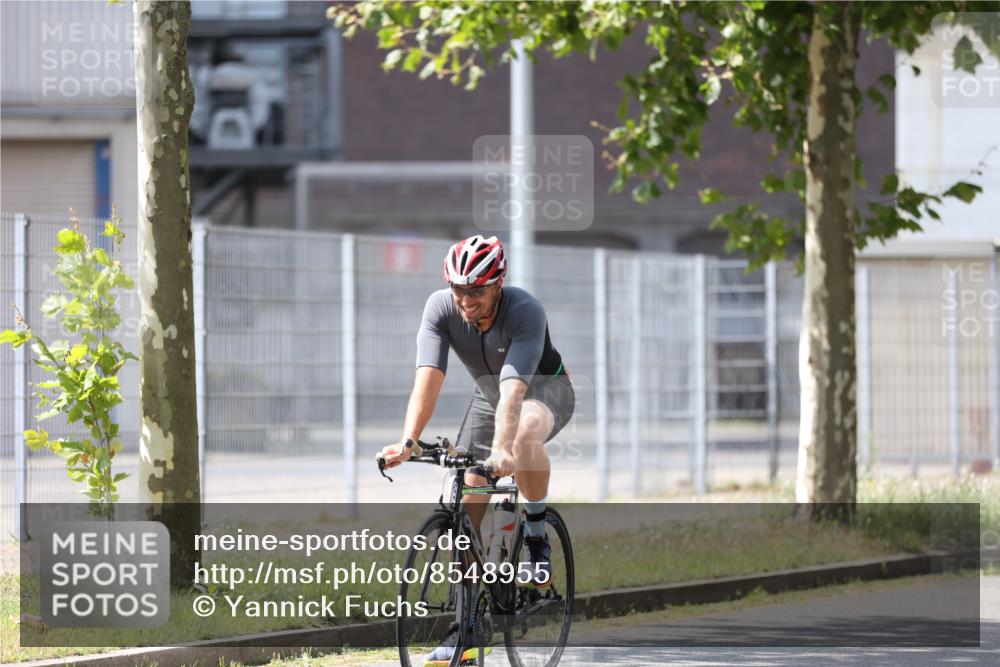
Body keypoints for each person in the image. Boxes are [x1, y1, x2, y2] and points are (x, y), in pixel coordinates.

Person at [379, 234, 575, 665]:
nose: (465, 299)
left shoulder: (525, 311)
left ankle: (538, 539)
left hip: (544, 391)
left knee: (523, 440)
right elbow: (427, 377)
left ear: (498, 283)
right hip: (488, 399)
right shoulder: (440, 308)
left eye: (477, 289)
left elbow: (514, 391)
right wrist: (408, 442)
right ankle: (466, 625)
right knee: (468, 492)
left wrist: (502, 450)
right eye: (458, 288)